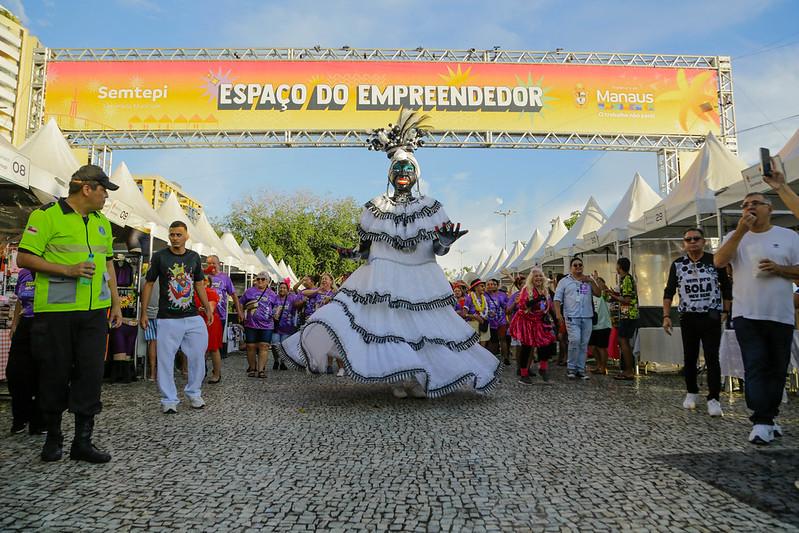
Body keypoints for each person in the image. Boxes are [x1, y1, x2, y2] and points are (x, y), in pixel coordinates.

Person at [276, 110, 499, 398]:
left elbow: (438, 250)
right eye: (398, 169)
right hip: (383, 276)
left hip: (421, 276)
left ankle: (421, 377)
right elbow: (365, 250)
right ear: (390, 174)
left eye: (408, 169)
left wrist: (445, 242)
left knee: (423, 330)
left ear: (416, 174)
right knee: (388, 327)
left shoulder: (431, 206)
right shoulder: (375, 207)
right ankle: (400, 377)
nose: (403, 174)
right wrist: (350, 254)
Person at [17, 164, 123, 463]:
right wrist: (67, 269)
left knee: (90, 375)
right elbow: (24, 257)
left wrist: (115, 303)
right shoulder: (47, 216)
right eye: (104, 190)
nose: (106, 196)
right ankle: (52, 438)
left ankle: (82, 442)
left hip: (93, 314)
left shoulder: (102, 223)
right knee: (54, 373)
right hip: (56, 313)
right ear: (86, 188)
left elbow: (109, 265)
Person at [714, 192, 799, 444]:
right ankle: (760, 421)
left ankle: (770, 418)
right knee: (755, 365)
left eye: (755, 203)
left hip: (780, 314)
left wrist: (780, 269)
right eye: (745, 205)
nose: (749, 207)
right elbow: (719, 261)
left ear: (769, 208)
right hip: (746, 314)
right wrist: (740, 231)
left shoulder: (789, 237)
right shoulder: (735, 237)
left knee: (777, 369)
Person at [139, 221, 212, 414]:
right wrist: (144, 312)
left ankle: (194, 393)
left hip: (192, 316)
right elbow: (148, 284)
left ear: (187, 236)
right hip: (167, 318)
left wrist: (207, 308)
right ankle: (169, 399)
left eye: (179, 234)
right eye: (172, 234)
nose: (175, 238)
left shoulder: (194, 257)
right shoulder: (159, 257)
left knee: (198, 354)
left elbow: (198, 285)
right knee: (165, 359)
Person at [663, 228, 732, 416]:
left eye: (696, 239)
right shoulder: (678, 264)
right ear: (684, 243)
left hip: (711, 315)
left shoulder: (714, 261)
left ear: (704, 242)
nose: (692, 242)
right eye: (688, 239)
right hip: (688, 316)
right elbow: (669, 291)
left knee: (712, 357)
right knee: (690, 357)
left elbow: (726, 287)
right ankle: (692, 392)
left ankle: (714, 398)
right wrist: (666, 316)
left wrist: (725, 310)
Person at [6, 268, 44, 435]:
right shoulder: (23, 273)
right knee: (15, 372)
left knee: (41, 374)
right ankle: (20, 417)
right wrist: (15, 323)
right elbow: (20, 301)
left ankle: (39, 421)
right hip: (25, 324)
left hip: (46, 326)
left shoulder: (51, 268)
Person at [554, 257, 600, 380]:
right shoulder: (564, 281)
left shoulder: (587, 280)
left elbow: (598, 293)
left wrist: (591, 280)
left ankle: (581, 369)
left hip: (587, 316)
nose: (578, 267)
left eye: (580, 265)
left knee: (584, 344)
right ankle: (571, 367)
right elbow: (557, 299)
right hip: (571, 317)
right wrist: (558, 314)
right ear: (571, 267)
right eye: (575, 265)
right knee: (575, 340)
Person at [509, 267, 558, 384]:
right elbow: (523, 305)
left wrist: (556, 320)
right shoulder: (526, 289)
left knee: (546, 343)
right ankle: (524, 374)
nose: (538, 278)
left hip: (539, 321)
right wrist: (537, 299)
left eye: (540, 276)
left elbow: (550, 306)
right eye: (536, 276)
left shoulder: (545, 290)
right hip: (527, 321)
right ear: (532, 278)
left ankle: (543, 368)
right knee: (527, 347)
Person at [205, 255, 243, 373]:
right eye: (208, 263)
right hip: (204, 315)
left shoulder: (225, 278)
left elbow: (234, 295)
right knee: (203, 344)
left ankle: (216, 371)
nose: (211, 266)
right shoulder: (204, 277)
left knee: (214, 345)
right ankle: (203, 369)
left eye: (213, 263)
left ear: (219, 264)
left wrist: (239, 311)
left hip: (219, 316)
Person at [605, 258, 639, 381]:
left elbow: (627, 300)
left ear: (619, 266)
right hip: (626, 314)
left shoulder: (627, 280)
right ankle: (627, 369)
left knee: (623, 341)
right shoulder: (625, 279)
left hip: (628, 314)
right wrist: (613, 293)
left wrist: (613, 296)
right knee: (623, 341)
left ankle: (629, 371)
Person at [239, 272, 278, 378]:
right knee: (250, 346)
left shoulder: (272, 294)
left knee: (264, 346)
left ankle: (261, 370)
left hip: (267, 325)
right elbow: (240, 302)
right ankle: (252, 368)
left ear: (268, 281)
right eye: (258, 279)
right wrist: (241, 312)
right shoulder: (249, 291)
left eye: (263, 279)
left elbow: (277, 306)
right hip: (251, 324)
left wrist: (276, 313)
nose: (260, 281)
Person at [194, 271, 222, 383]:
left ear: (208, 283)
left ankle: (216, 373)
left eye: (204, 280)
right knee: (200, 350)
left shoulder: (211, 292)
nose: (202, 281)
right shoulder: (194, 293)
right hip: (198, 322)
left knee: (213, 348)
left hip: (210, 322)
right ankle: (200, 372)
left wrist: (204, 309)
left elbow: (211, 308)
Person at [271, 279, 298, 370]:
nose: (282, 289)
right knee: (275, 345)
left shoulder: (292, 298)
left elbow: (300, 298)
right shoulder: (274, 298)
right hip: (275, 326)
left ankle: (283, 362)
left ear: (287, 289)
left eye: (284, 288)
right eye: (281, 288)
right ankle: (276, 360)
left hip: (287, 327)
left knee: (284, 346)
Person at [588, 277, 612, 375]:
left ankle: (603, 367)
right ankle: (598, 365)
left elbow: (604, 289)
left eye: (599, 282)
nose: (596, 284)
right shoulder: (589, 295)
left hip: (603, 325)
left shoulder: (604, 295)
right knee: (592, 347)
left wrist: (597, 281)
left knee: (601, 347)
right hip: (592, 325)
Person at [485, 278, 510, 364]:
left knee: (503, 339)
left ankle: (506, 358)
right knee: (493, 341)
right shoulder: (484, 295)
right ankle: (493, 359)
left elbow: (507, 307)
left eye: (494, 284)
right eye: (490, 284)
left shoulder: (503, 295)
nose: (492, 286)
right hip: (490, 322)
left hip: (501, 321)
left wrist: (507, 319)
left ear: (497, 285)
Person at [465, 279, 491, 348]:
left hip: (484, 324)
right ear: (475, 287)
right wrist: (474, 316)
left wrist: (490, 313)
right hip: (473, 325)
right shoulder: (469, 297)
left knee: (483, 348)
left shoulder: (485, 299)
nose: (484, 288)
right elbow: (464, 314)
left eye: (484, 286)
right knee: (475, 348)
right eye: (482, 286)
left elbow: (485, 311)